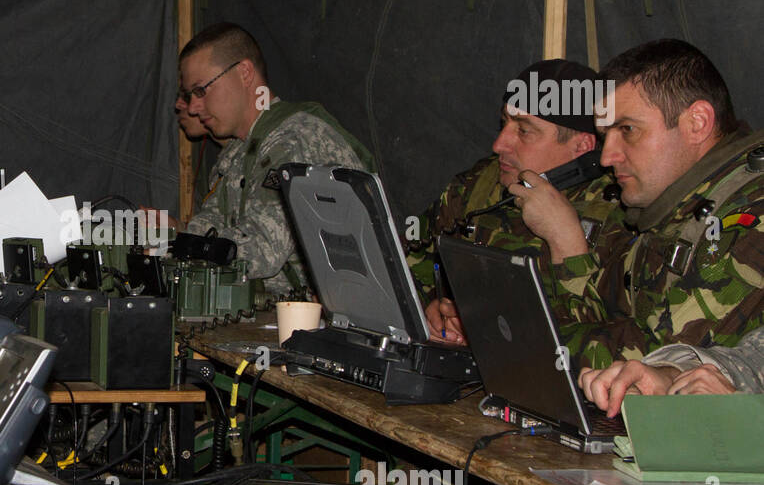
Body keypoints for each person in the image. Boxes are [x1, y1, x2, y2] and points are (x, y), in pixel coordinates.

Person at [511, 40, 764, 415]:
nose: (608, 156)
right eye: (605, 135)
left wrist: (514, 332)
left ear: (697, 123)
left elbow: (647, 366)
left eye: (627, 129)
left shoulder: (747, 217)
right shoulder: (674, 205)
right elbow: (605, 317)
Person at [408, 59, 628, 344]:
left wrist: (567, 245)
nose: (499, 144)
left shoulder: (621, 215)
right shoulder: (480, 183)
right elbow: (406, 263)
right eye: (504, 123)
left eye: (523, 130)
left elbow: (604, 345)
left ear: (582, 147)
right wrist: (433, 307)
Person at [178, 22, 374, 296]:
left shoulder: (297, 140)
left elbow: (260, 251)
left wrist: (187, 247)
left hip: (326, 323)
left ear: (244, 72)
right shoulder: (236, 153)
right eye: (189, 95)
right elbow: (210, 223)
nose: (194, 107)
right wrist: (173, 241)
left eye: (201, 90)